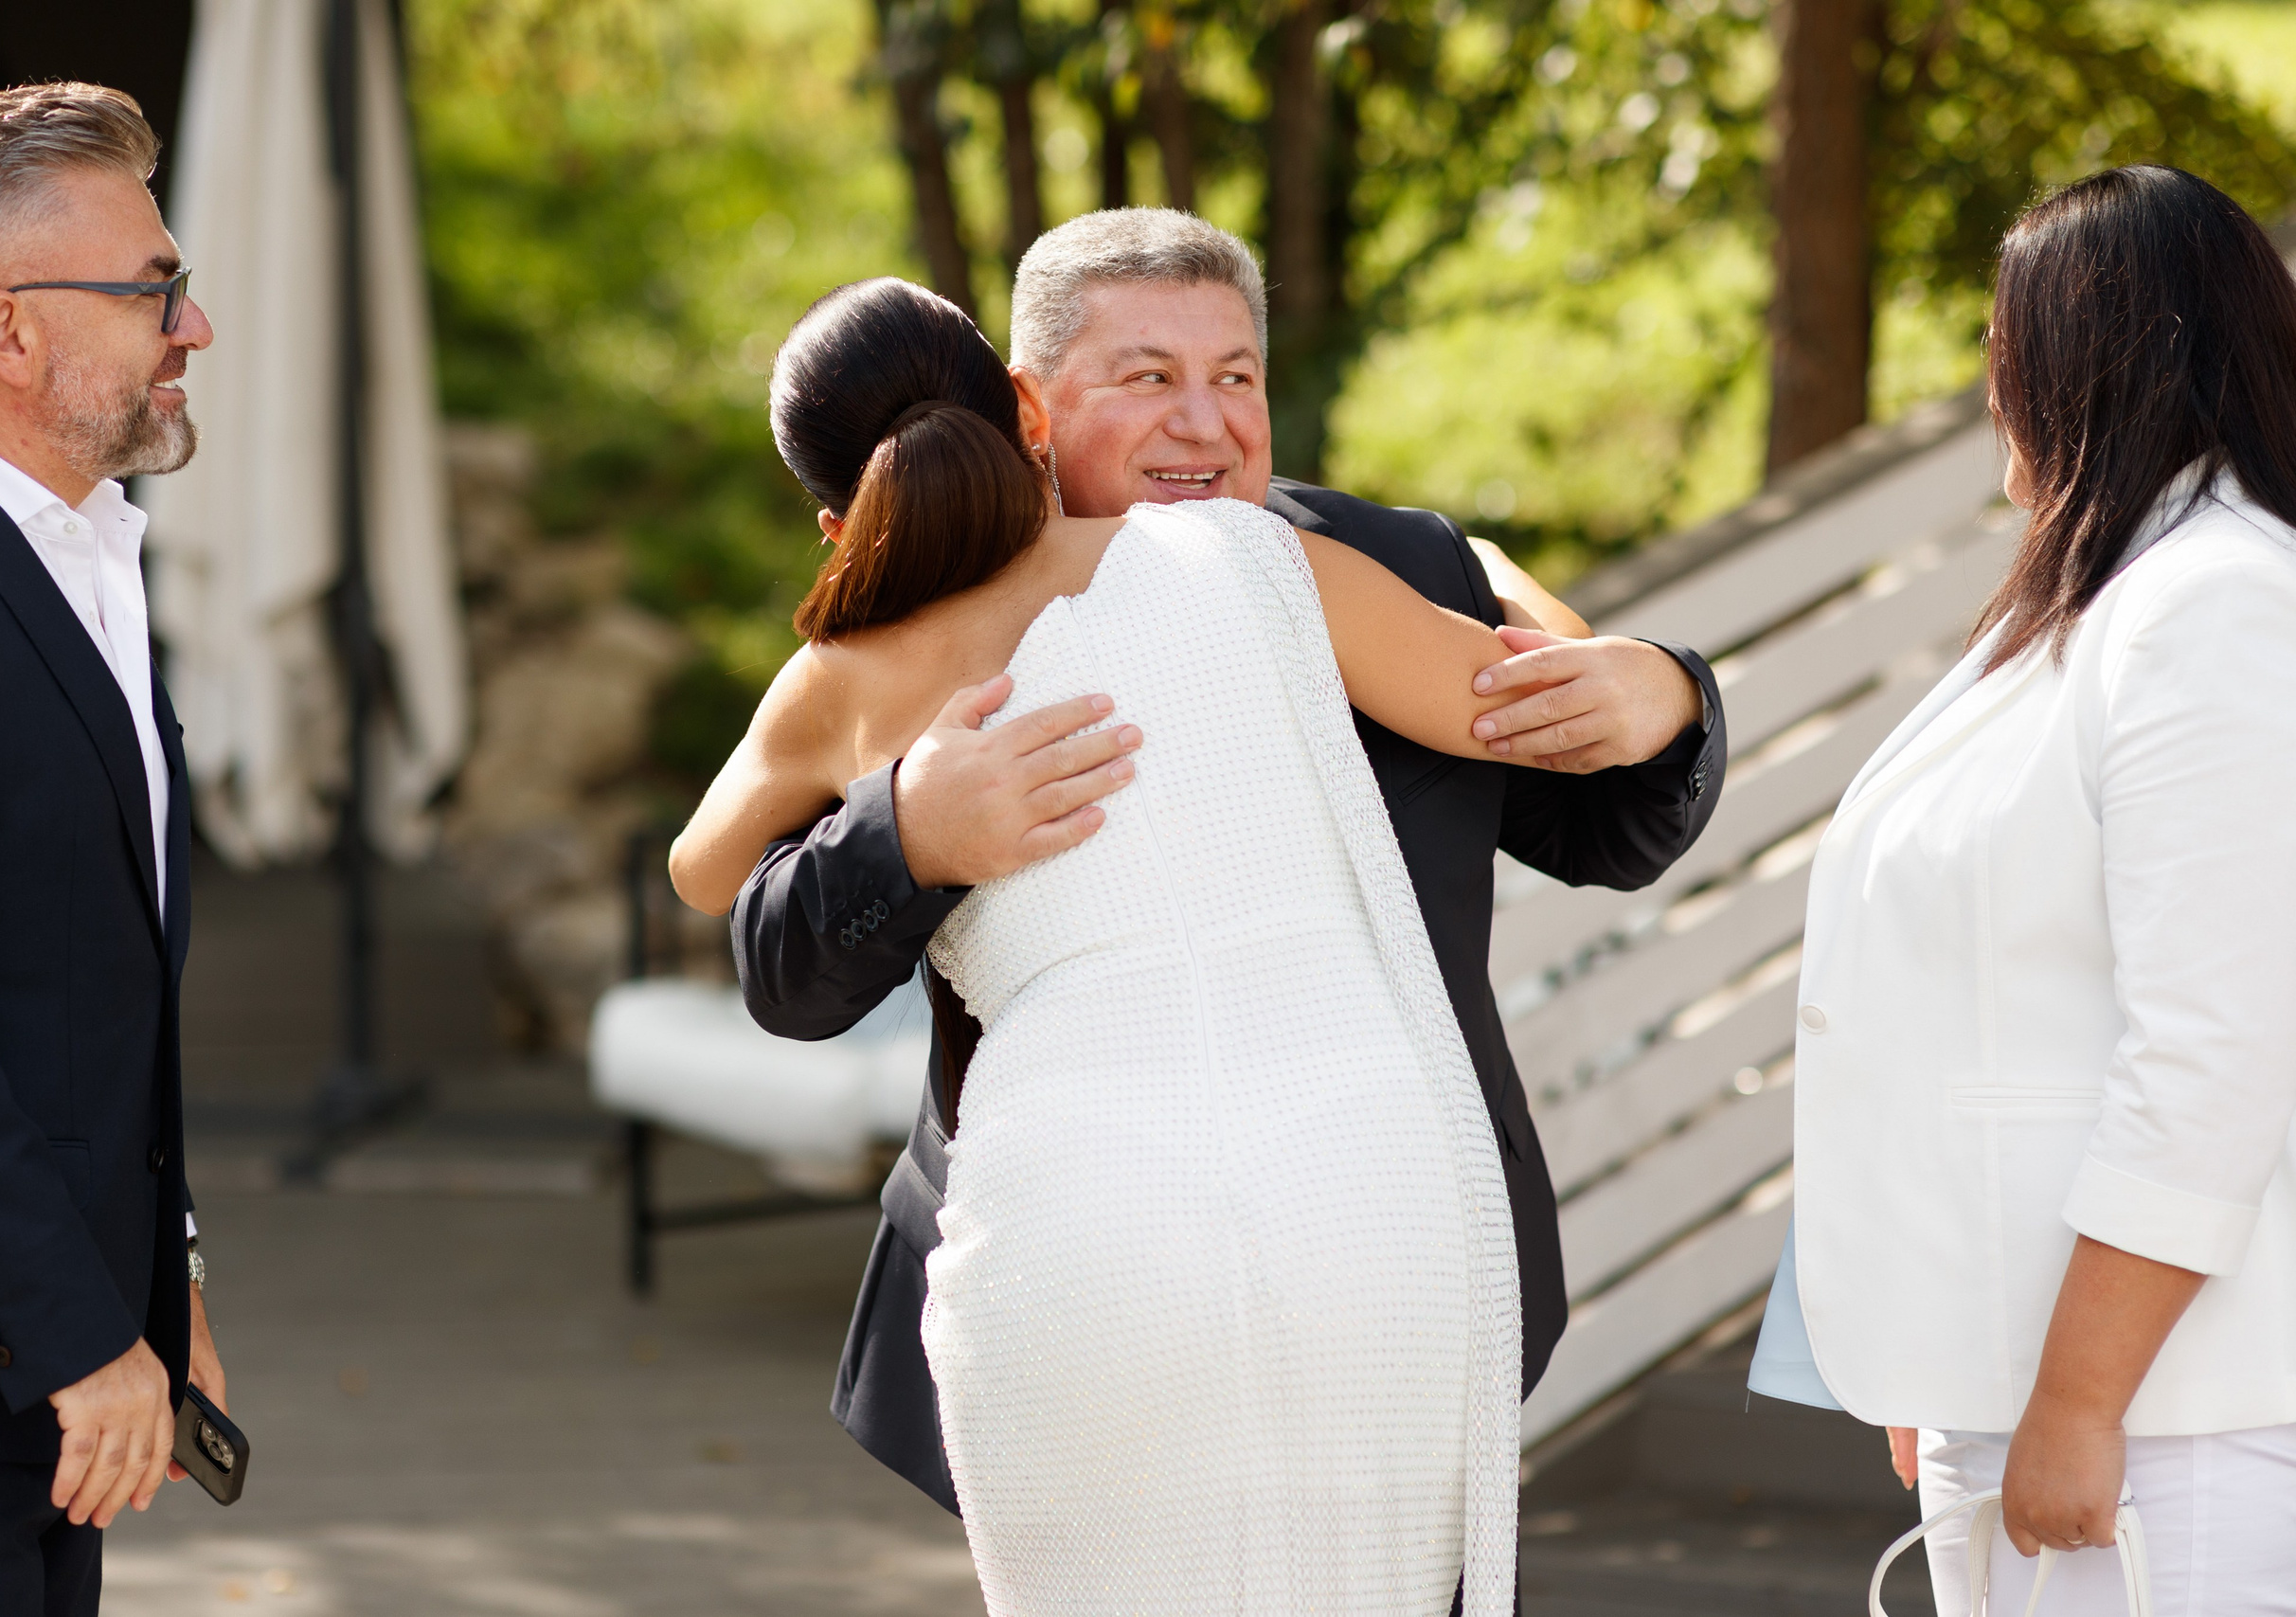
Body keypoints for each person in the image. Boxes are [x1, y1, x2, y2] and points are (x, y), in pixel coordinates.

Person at [726, 212, 1728, 1560]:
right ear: (1029, 407)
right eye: (1148, 378)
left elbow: (1609, 822)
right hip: (1073, 1273)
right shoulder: (903, 645)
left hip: (1390, 1249)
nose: (1205, 424)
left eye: (1237, 377)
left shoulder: (1383, 566)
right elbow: (775, 959)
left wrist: (1664, 683)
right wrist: (905, 833)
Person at [1749, 165, 2296, 1614]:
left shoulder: (2217, 605)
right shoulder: (2104, 594)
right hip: (2030, 1390)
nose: (1992, 383)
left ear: (2070, 358)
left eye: (2005, 342)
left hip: (2166, 1421)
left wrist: (2075, 1397)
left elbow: (2217, 1050)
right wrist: (1936, 1352)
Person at [0, 85, 227, 1615]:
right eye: (152, 286)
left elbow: (89, 988)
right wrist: (77, 1337)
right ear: (8, 332)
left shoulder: (81, 554)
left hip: (34, 1399)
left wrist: (169, 1280)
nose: (192, 324)